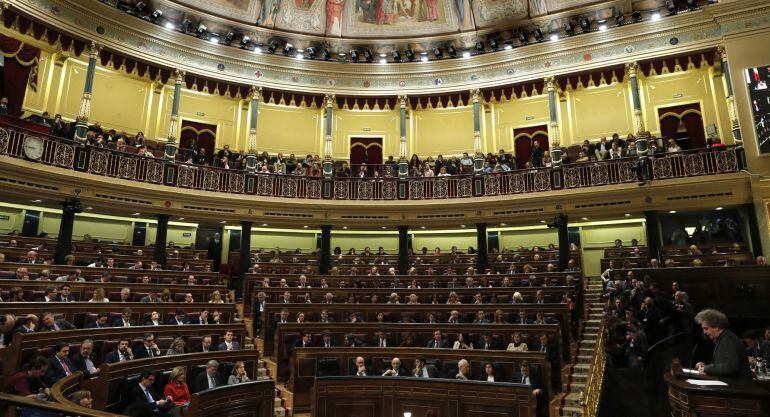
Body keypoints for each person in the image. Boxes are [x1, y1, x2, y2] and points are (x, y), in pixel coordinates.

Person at [694, 308, 753, 383]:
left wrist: (707, 368)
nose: (704, 332)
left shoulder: (728, 340)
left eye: (706, 328)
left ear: (717, 327)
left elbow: (731, 366)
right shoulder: (724, 338)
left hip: (737, 389)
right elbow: (724, 364)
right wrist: (706, 367)